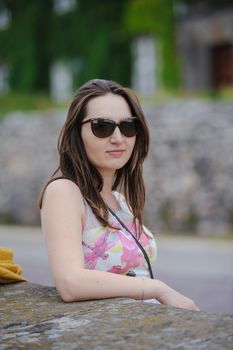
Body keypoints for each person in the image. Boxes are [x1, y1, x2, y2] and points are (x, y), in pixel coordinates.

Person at [39, 79, 199, 311]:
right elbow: (70, 283)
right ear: (77, 133)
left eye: (127, 126)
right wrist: (157, 289)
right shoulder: (64, 192)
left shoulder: (120, 201)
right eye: (102, 126)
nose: (118, 138)